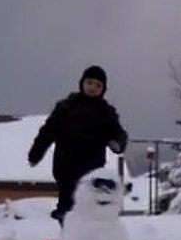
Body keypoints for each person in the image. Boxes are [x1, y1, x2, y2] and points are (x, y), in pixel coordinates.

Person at [27, 65, 129, 225]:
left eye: (98, 85)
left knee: (90, 209)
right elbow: (48, 131)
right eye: (90, 82)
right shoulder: (66, 107)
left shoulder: (106, 112)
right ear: (82, 83)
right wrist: (36, 153)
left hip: (92, 169)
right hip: (66, 166)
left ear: (103, 89)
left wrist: (117, 143)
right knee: (67, 209)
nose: (93, 87)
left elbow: (119, 133)